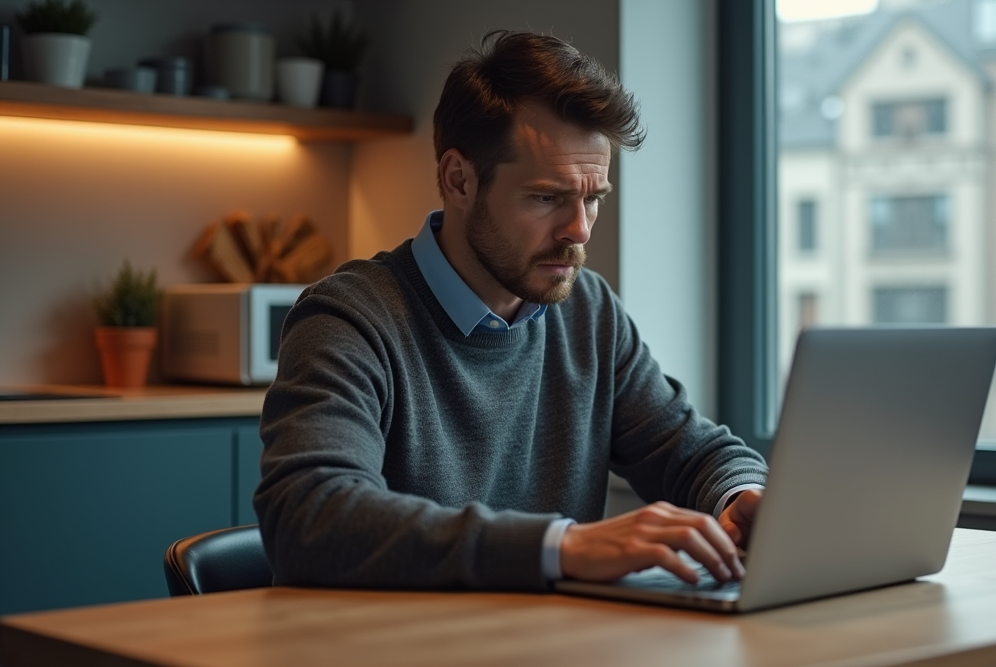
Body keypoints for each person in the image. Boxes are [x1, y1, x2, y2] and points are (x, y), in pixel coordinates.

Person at [254, 30, 769, 592]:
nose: (579, 230)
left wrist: (741, 496)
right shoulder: (348, 320)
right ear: (459, 180)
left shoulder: (588, 310)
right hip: (382, 664)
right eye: (547, 197)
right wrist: (561, 547)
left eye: (593, 198)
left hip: (538, 656)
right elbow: (309, 518)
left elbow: (687, 449)